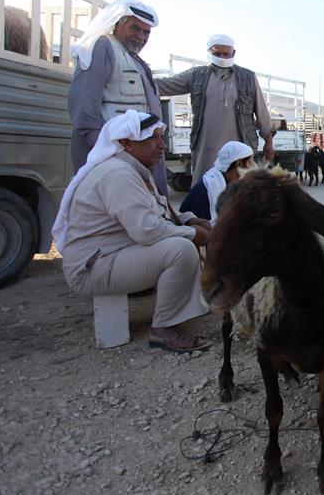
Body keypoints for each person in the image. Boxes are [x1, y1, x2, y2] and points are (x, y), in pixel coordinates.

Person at [52, 110, 212, 353]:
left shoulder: (129, 169)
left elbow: (151, 213)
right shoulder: (118, 174)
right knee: (180, 250)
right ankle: (165, 330)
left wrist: (187, 220)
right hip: (93, 266)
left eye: (161, 136)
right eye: (152, 138)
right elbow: (147, 230)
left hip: (108, 255)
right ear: (126, 143)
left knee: (183, 240)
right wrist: (193, 234)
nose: (162, 145)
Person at [67, 0, 169, 196]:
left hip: (137, 156)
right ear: (118, 24)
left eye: (146, 32)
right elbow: (84, 108)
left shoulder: (135, 59)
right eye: (135, 29)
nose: (141, 36)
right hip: (116, 158)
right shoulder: (101, 47)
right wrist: (109, 152)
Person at [156, 34, 274, 185]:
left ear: (234, 53)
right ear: (209, 53)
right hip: (206, 146)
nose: (222, 57)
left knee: (241, 190)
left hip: (240, 146)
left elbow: (262, 112)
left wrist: (269, 142)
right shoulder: (197, 75)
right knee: (203, 186)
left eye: (226, 54)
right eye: (217, 54)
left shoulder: (248, 77)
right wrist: (140, 77)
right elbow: (166, 85)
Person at [179, 140, 254, 224]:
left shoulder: (227, 182)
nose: (252, 167)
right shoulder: (210, 187)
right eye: (250, 162)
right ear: (239, 163)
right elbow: (208, 226)